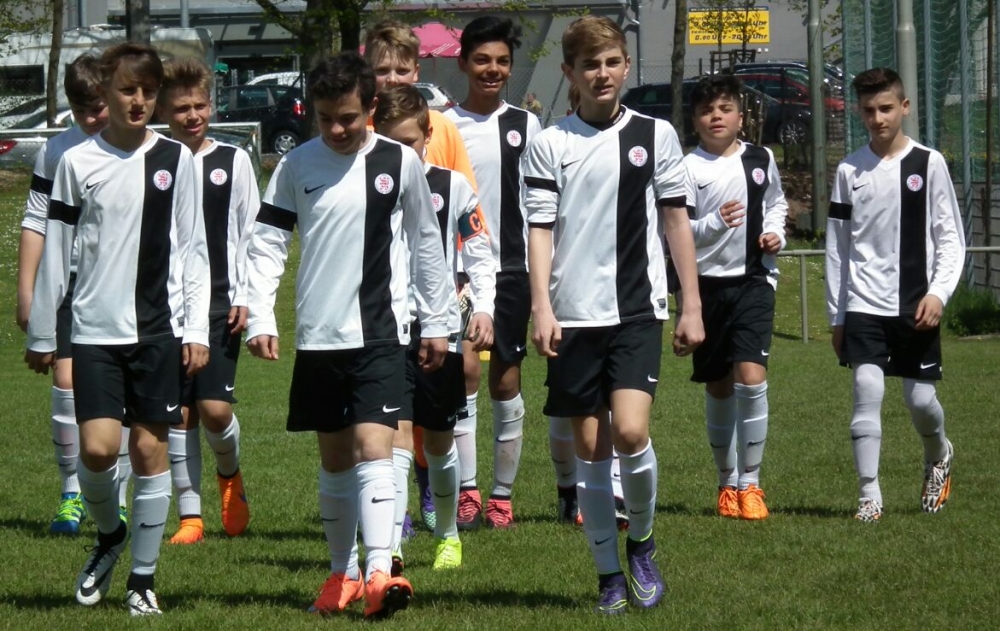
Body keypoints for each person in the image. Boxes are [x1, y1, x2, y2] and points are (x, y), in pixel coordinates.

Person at [244, 51, 452, 619]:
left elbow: (426, 242)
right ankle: (343, 574)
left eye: (349, 118)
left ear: (371, 108)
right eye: (326, 118)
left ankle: (381, 571)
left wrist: (437, 321)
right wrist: (260, 316)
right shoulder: (296, 166)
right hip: (319, 335)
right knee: (335, 459)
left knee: (374, 447)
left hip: (382, 332)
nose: (337, 129)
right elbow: (267, 244)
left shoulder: (398, 162)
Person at [524, 16, 703, 613]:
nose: (601, 74)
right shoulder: (550, 143)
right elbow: (539, 229)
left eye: (610, 62)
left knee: (629, 431)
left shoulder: (656, 135)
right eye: (589, 65)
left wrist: (691, 303)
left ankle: (643, 543)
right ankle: (608, 577)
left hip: (636, 310)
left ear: (625, 66)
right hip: (573, 316)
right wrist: (542, 306)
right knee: (592, 449)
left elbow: (676, 221)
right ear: (569, 73)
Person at [24, 42, 211, 616]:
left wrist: (196, 329)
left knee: (151, 450)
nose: (138, 101)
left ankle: (142, 581)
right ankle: (110, 535)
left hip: (158, 332)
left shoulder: (177, 160)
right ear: (105, 91)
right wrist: (43, 332)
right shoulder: (76, 162)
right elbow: (56, 251)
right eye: (128, 90)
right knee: (99, 448)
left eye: (148, 92)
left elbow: (193, 249)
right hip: (94, 331)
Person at [362, 18, 484, 535]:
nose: (391, 79)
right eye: (381, 70)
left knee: (449, 393)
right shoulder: (357, 128)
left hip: (440, 293)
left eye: (400, 69)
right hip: (382, 300)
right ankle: (395, 513)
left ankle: (446, 493)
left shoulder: (442, 128)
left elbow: (462, 210)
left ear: (417, 70)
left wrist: (468, 292)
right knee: (388, 414)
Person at [826, 67, 964, 523]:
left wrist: (939, 293)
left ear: (904, 107)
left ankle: (938, 454)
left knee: (920, 401)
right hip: (863, 303)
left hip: (915, 303)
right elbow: (838, 247)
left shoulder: (929, 163)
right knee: (866, 387)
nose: (878, 118)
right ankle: (869, 496)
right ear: (859, 112)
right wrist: (837, 315)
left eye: (886, 108)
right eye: (868, 110)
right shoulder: (849, 170)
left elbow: (950, 238)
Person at [372, 84, 497, 572]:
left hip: (438, 327)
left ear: (428, 135)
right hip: (386, 328)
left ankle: (447, 534)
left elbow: (479, 252)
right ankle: (392, 546)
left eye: (408, 142)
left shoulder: (453, 187)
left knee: (439, 442)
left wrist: (483, 308)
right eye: (390, 142)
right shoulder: (370, 184)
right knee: (396, 439)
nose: (400, 153)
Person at [16, 53, 133, 535]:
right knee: (66, 383)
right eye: (82, 111)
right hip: (67, 285)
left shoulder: (134, 147)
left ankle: (118, 499)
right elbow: (36, 221)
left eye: (98, 108)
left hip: (121, 286)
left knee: (120, 394)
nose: (92, 119)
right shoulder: (57, 151)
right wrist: (26, 291)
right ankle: (70, 495)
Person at [444, 15, 542, 530]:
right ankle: (468, 490)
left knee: (505, 380)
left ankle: (502, 495)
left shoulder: (527, 126)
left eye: (502, 61)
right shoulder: (443, 125)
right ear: (463, 63)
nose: (492, 70)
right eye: (482, 60)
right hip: (459, 271)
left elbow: (540, 204)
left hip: (512, 270)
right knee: (464, 371)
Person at [157, 57, 258, 544]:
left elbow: (251, 233)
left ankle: (230, 476)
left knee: (215, 410)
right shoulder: (154, 160)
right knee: (178, 413)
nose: (192, 115)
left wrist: (246, 295)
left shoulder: (233, 161)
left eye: (199, 105)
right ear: (163, 111)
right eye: (181, 108)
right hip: (164, 306)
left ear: (211, 106)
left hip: (219, 303)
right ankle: (190, 517)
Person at [682, 74, 788, 520]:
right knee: (719, 384)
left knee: (750, 375)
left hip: (754, 281)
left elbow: (777, 203)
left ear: (740, 117)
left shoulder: (761, 159)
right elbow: (679, 234)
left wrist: (775, 232)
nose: (716, 117)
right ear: (695, 121)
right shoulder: (688, 168)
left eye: (725, 109)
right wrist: (715, 224)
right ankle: (726, 482)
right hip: (705, 288)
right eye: (707, 111)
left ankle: (752, 483)